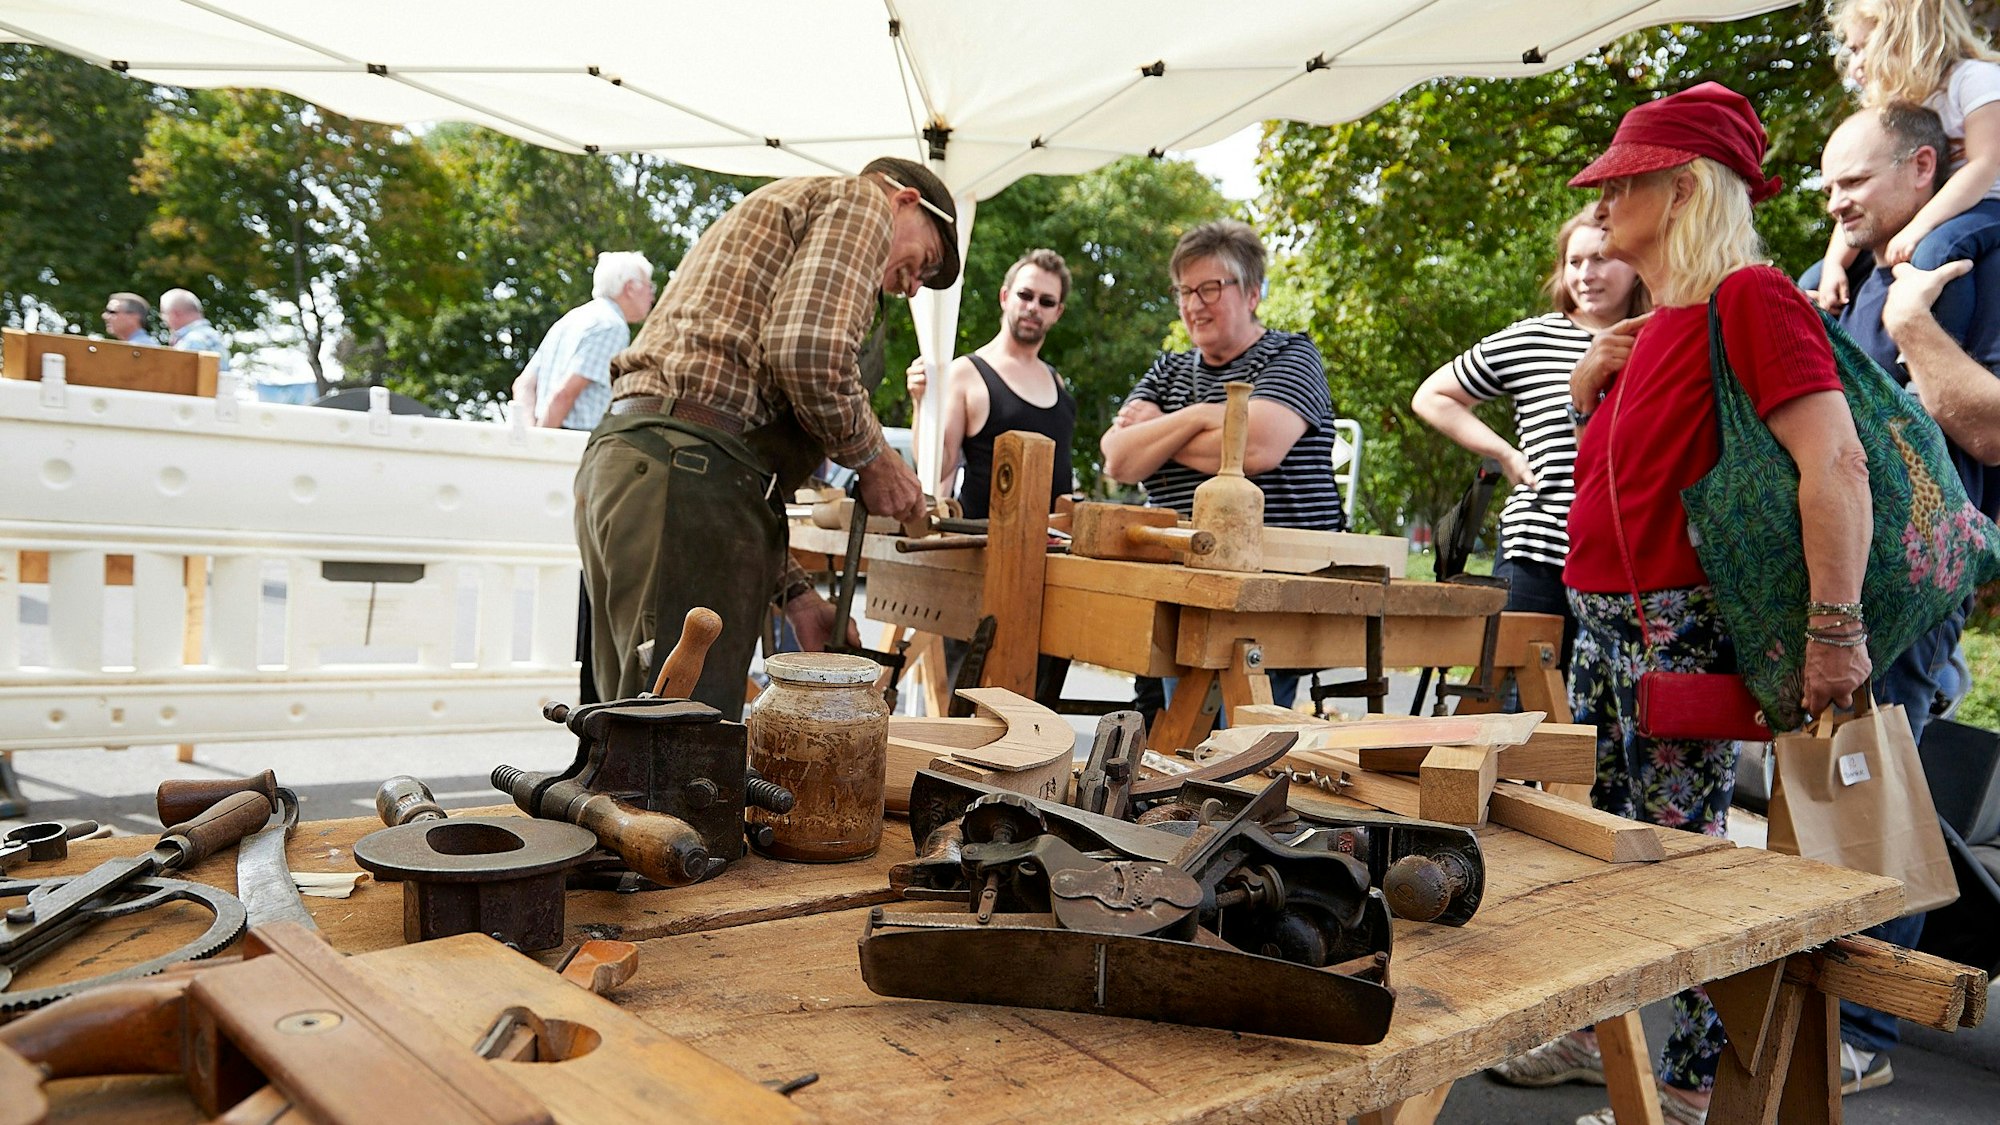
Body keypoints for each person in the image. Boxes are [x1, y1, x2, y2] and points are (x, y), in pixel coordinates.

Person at [1486, 83, 1873, 1125]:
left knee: (1675, 858)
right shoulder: (1659, 322)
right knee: (1615, 846)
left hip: (1673, 628)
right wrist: (1585, 389)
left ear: (1680, 188)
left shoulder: (1750, 298)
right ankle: (1600, 1041)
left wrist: (1834, 628)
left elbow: (1832, 460)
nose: (1599, 201)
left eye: (1620, 181)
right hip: (1610, 624)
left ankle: (1695, 1085)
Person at [576, 157, 949, 711]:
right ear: (908, 201)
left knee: (628, 736)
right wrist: (878, 461)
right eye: (926, 260)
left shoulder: (791, 210)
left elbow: (738, 472)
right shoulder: (864, 201)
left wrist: (800, 600)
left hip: (649, 464)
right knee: (673, 748)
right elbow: (808, 353)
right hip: (682, 474)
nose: (913, 286)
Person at [1816, 101, 2000, 1093]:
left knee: (1877, 812)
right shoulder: (1842, 265)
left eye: (1851, 181)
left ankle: (1857, 1036)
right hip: (1838, 592)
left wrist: (1909, 325)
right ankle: (1829, 1011)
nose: (1833, 201)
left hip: (1915, 591)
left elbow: (1989, 431)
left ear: (1922, 165)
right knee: (1840, 807)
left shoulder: (1971, 256)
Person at [1101, 220, 1346, 712]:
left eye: (1209, 288)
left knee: (1242, 754)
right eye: (1185, 291)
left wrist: (1163, 429)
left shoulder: (1292, 356)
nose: (1194, 304)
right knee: (1174, 750)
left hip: (1271, 593)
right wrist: (1202, 417)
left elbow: (1255, 451)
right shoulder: (1167, 370)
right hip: (1179, 588)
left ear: (1253, 293)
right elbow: (1119, 459)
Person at [1412, 208, 1649, 675]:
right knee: (1517, 699)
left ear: (1635, 261)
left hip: (1625, 559)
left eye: (1600, 259)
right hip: (1536, 553)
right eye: (1574, 262)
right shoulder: (1533, 337)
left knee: (1603, 715)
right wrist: (1504, 454)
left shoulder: (1657, 336)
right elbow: (1432, 396)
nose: (1586, 274)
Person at [1812, 0, 2000, 334]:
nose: (1853, 65)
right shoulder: (1908, 104)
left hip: (1988, 202)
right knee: (1814, 279)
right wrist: (1833, 265)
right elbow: (1856, 202)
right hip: (1940, 212)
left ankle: (1937, 351)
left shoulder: (1976, 80)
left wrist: (1917, 227)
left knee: (1936, 251)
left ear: (1904, 34)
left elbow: (1985, 165)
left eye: (1860, 48)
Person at [905, 247, 1077, 518]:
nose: (1033, 307)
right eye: (1025, 295)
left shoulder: (1055, 381)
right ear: (1005, 297)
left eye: (1046, 302)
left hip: (1051, 546)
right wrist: (921, 403)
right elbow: (937, 466)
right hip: (982, 545)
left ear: (1058, 312)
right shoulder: (965, 372)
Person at [512, 252, 656, 432]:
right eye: (650, 287)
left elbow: (524, 384)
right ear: (630, 288)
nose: (652, 297)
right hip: (571, 442)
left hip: (549, 436)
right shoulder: (612, 326)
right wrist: (542, 444)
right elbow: (565, 394)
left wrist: (531, 436)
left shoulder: (569, 320)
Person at [158, 290, 229, 372]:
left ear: (175, 314)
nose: (163, 319)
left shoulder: (191, 342)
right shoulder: (215, 337)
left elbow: (177, 380)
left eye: (163, 314)